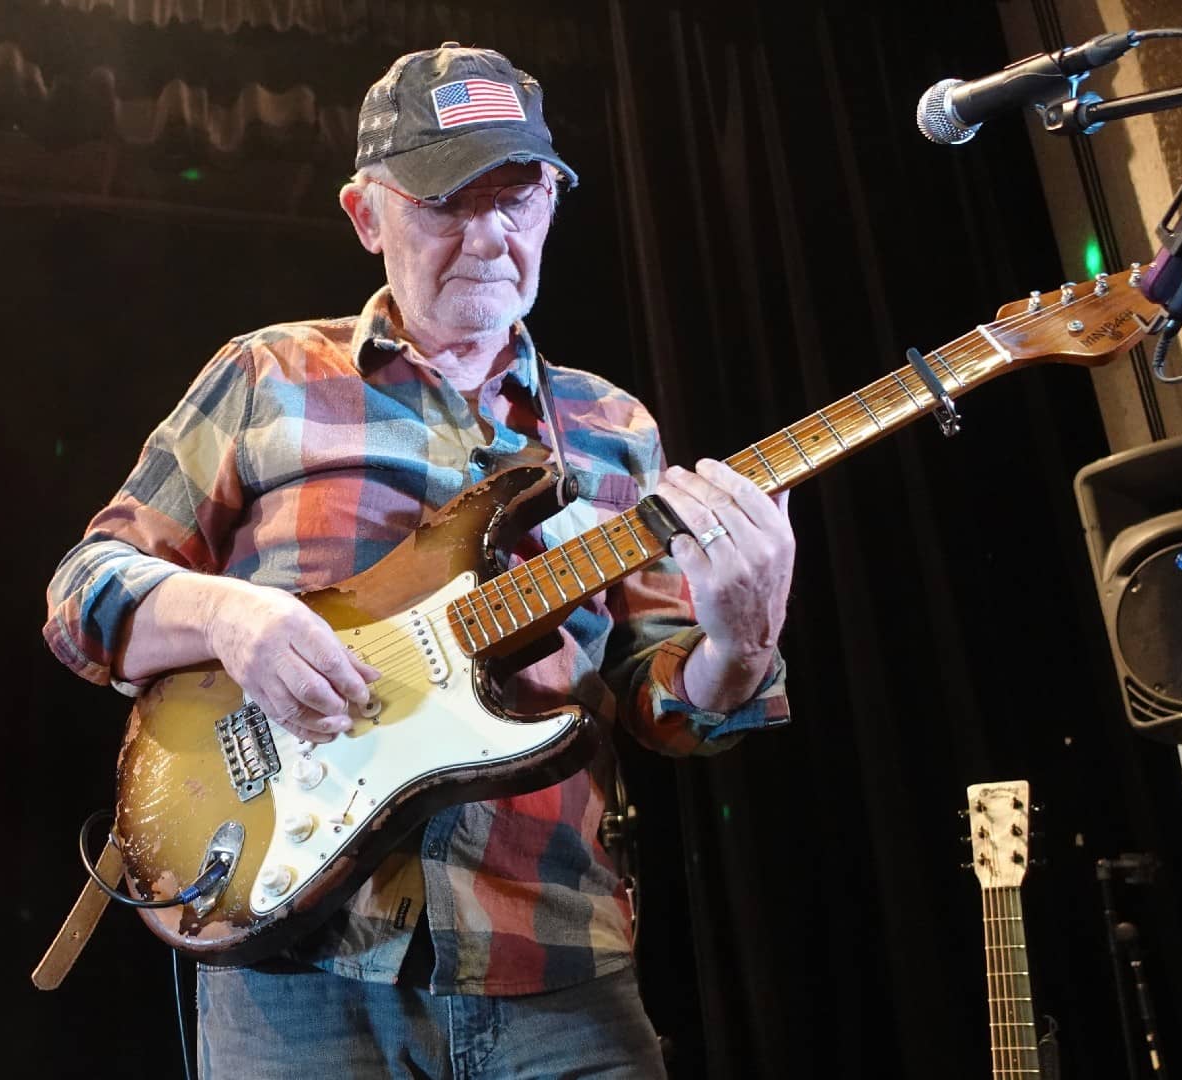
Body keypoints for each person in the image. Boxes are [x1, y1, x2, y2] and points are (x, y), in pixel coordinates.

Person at [43, 42, 795, 1078]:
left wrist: (741, 643)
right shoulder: (269, 377)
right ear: (366, 215)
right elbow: (85, 590)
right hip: (298, 966)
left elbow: (662, 704)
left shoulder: (614, 428)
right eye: (448, 201)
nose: (491, 236)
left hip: (555, 959)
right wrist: (229, 619)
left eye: (519, 197)